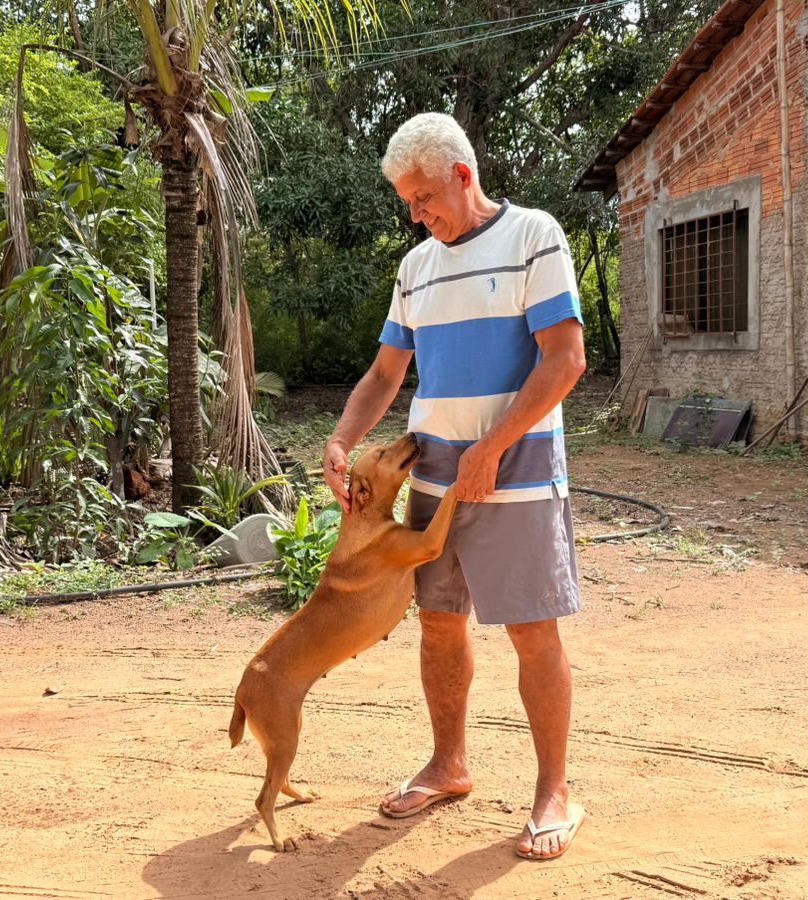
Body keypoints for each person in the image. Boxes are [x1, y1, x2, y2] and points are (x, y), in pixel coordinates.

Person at [321, 112, 588, 861]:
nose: (415, 213)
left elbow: (564, 361)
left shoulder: (536, 236)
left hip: (520, 473)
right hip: (432, 476)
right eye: (407, 202)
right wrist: (343, 440)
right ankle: (449, 765)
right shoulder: (417, 267)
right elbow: (385, 374)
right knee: (439, 623)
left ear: (463, 176)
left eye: (423, 196)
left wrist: (492, 448)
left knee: (533, 631)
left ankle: (554, 790)